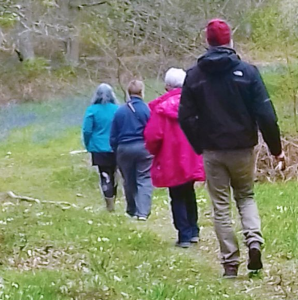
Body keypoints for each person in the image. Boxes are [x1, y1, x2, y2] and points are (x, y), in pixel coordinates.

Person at [179, 19, 285, 277]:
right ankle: (254, 241)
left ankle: (230, 262)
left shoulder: (194, 76)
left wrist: (198, 144)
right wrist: (275, 149)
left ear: (208, 42)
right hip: (242, 148)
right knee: (246, 197)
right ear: (229, 41)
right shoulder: (248, 72)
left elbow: (185, 116)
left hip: (213, 151)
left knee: (221, 206)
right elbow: (266, 114)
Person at [144, 68, 205, 248]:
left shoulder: (160, 109)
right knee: (189, 192)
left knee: (177, 195)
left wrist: (153, 151)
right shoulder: (196, 105)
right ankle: (194, 230)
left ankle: (184, 234)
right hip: (192, 156)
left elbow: (153, 136)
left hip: (170, 157)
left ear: (166, 86)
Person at [110, 80, 153, 221]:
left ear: (128, 93)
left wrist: (116, 149)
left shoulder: (120, 111)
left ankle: (132, 209)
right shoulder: (147, 110)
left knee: (128, 180)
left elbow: (113, 135)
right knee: (144, 178)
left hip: (124, 149)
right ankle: (143, 212)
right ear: (142, 92)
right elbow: (153, 131)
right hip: (143, 147)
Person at [82, 83, 119, 212]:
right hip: (115, 147)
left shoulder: (92, 110)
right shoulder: (117, 109)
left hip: (98, 148)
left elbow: (87, 130)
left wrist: (88, 144)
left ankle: (109, 202)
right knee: (114, 173)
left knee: (104, 174)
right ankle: (113, 197)